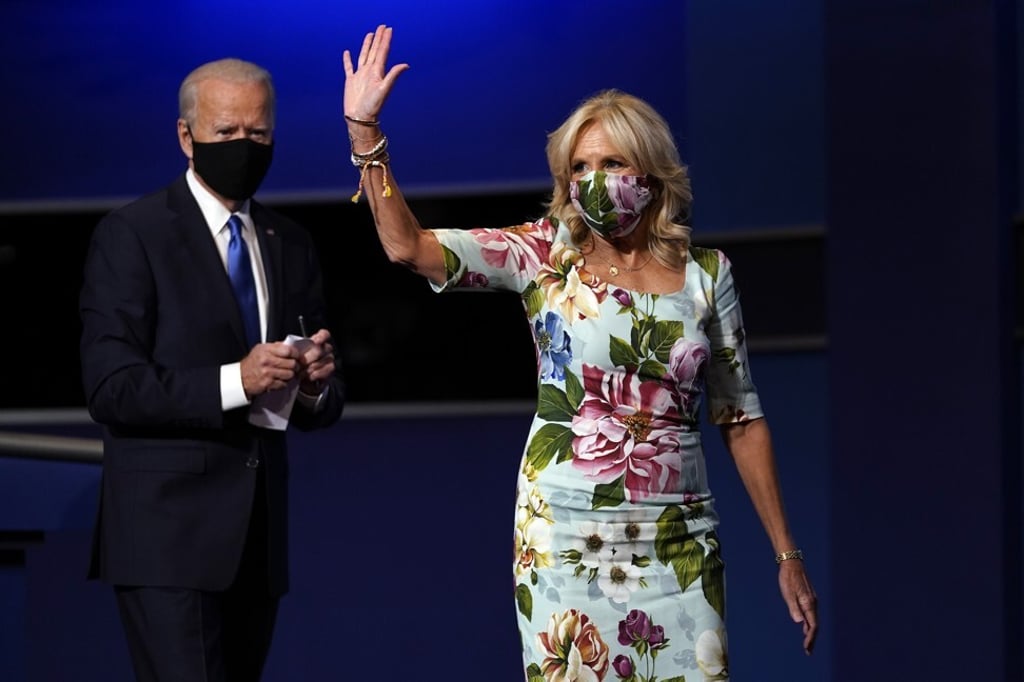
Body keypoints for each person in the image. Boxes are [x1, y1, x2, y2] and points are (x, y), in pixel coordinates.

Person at [342, 24, 818, 680]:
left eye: (613, 163)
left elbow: (739, 416)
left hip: (678, 541)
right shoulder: (544, 256)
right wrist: (367, 136)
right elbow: (410, 248)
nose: (595, 181)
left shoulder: (709, 275)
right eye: (580, 168)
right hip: (565, 538)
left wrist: (785, 554)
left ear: (650, 174)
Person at [79, 57, 344, 681]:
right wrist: (238, 380)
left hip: (256, 542)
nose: (244, 147)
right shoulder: (131, 235)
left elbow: (322, 402)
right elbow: (112, 387)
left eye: (259, 134)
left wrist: (314, 386)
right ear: (185, 135)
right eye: (227, 133)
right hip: (166, 540)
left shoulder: (290, 241)